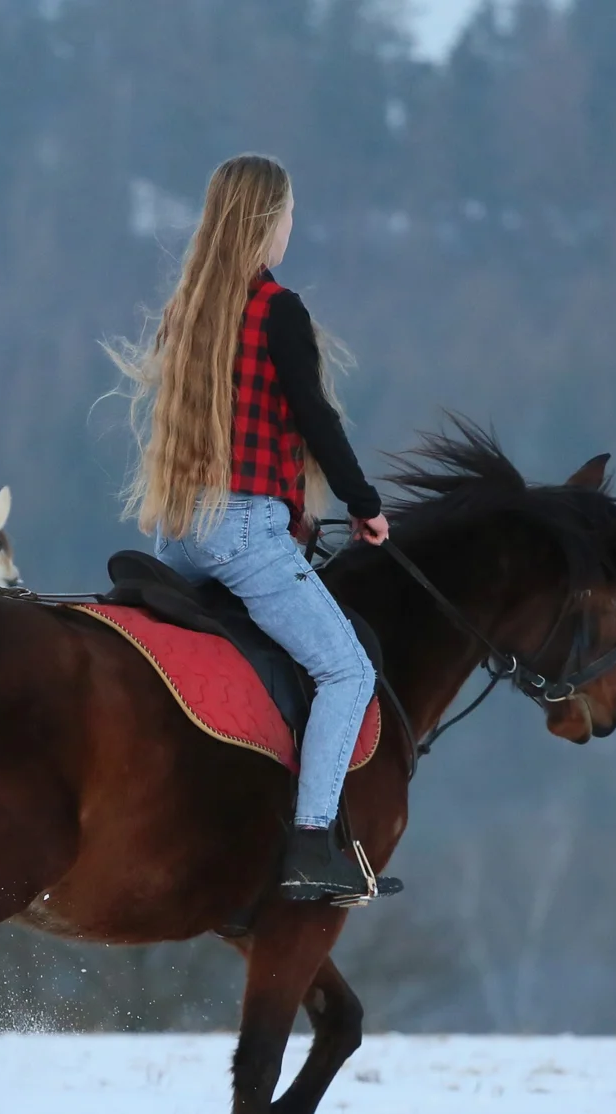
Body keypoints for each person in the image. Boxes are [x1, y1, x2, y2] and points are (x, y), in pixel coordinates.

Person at [112, 154, 390, 900]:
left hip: (180, 534)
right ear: (270, 221)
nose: (292, 227)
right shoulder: (278, 310)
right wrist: (365, 506)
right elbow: (315, 421)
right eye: (290, 214)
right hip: (244, 532)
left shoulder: (190, 311)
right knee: (346, 670)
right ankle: (311, 845)